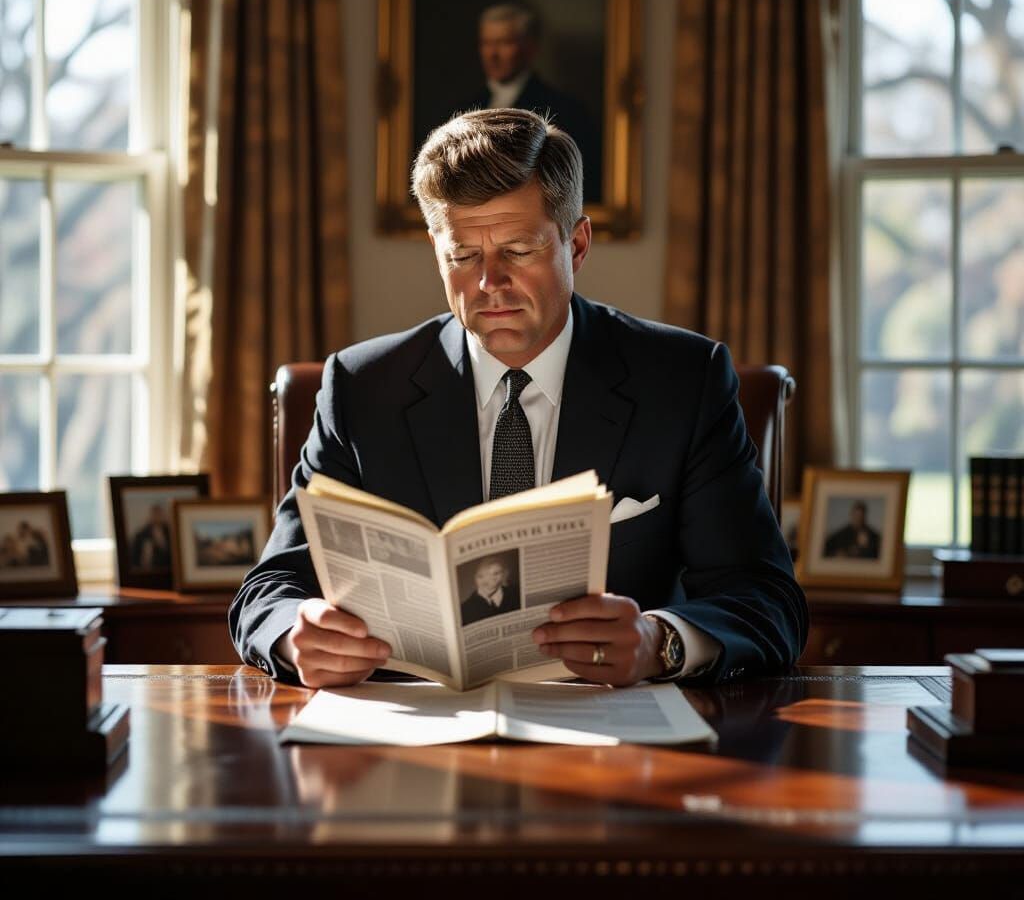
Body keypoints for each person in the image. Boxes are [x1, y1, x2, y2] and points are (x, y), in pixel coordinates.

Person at [229, 107, 807, 689]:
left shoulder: (683, 381)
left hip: (618, 740)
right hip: (414, 736)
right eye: (463, 256)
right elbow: (268, 591)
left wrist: (663, 642)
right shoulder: (361, 387)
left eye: (519, 250)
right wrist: (296, 632)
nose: (489, 284)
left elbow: (766, 601)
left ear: (576, 244)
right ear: (436, 249)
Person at [458, 3, 602, 203]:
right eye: (486, 43)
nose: (493, 54)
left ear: (530, 48)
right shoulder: (462, 111)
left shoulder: (566, 111)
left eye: (504, 43)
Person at [460, 555, 521, 626]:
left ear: (504, 574)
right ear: (475, 577)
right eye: (481, 575)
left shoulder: (516, 592)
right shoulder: (465, 608)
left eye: (496, 574)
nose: (489, 580)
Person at [130, 504, 171, 571]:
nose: (157, 517)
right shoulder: (141, 534)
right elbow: (135, 555)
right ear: (151, 515)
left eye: (159, 514)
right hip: (149, 569)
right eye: (155, 514)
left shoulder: (169, 532)